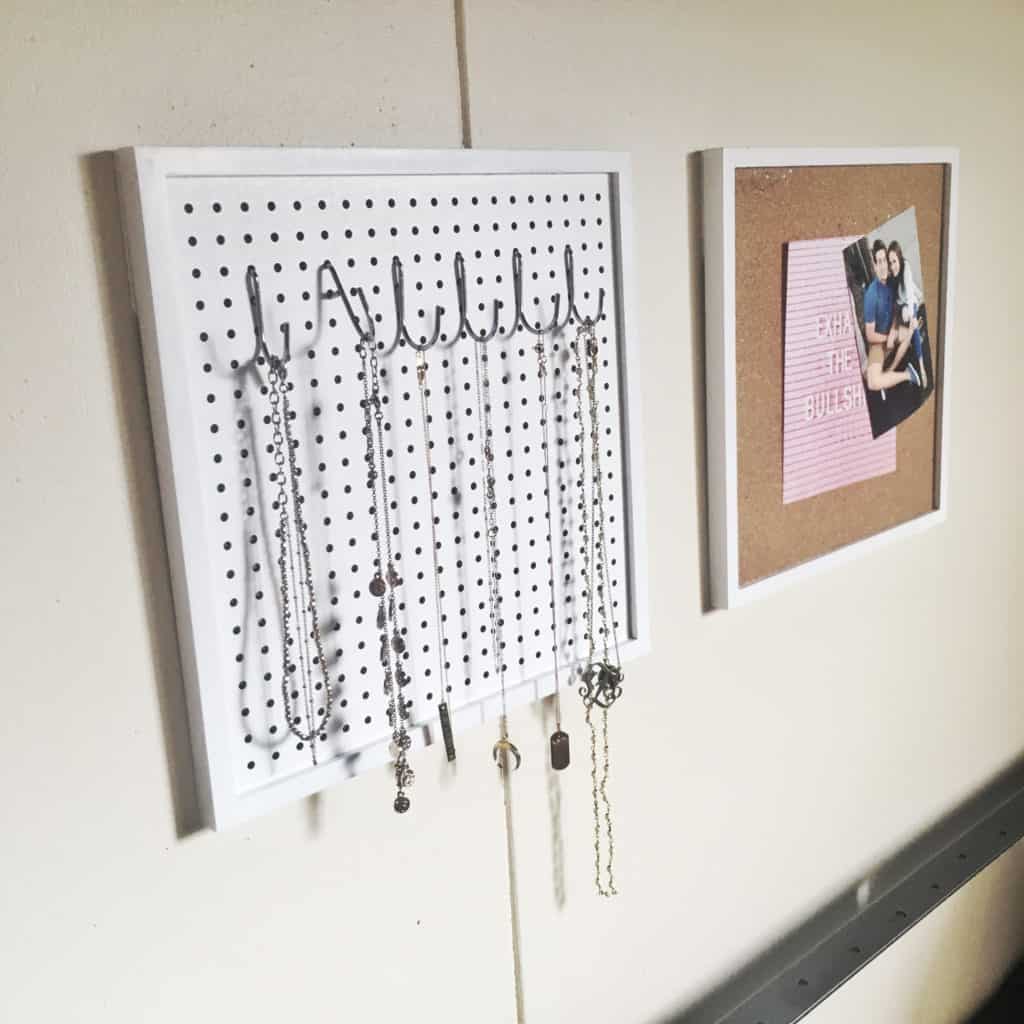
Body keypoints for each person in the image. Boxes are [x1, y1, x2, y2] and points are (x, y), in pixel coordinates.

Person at [862, 239, 921, 392]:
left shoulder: (892, 281)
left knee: (909, 332)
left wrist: (894, 330)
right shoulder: (871, 295)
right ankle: (891, 376)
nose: (883, 266)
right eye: (879, 262)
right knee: (872, 382)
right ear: (874, 266)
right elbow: (869, 335)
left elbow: (896, 309)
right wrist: (887, 337)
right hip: (878, 341)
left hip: (891, 333)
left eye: (884, 261)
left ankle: (903, 373)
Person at [888, 240, 927, 388]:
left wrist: (911, 316)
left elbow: (910, 296)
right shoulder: (892, 276)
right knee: (898, 327)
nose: (893, 266)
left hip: (913, 302)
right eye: (890, 263)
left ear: (900, 259)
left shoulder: (906, 268)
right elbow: (897, 301)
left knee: (913, 327)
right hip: (903, 306)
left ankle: (921, 367)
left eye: (894, 261)